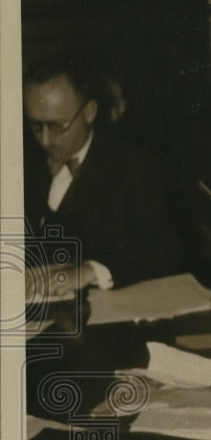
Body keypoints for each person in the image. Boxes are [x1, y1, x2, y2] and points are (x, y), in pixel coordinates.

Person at [23, 57, 182, 298]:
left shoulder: (132, 166)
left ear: (89, 112)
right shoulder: (25, 163)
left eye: (57, 126)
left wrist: (89, 271)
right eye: (36, 126)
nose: (45, 140)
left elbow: (166, 250)